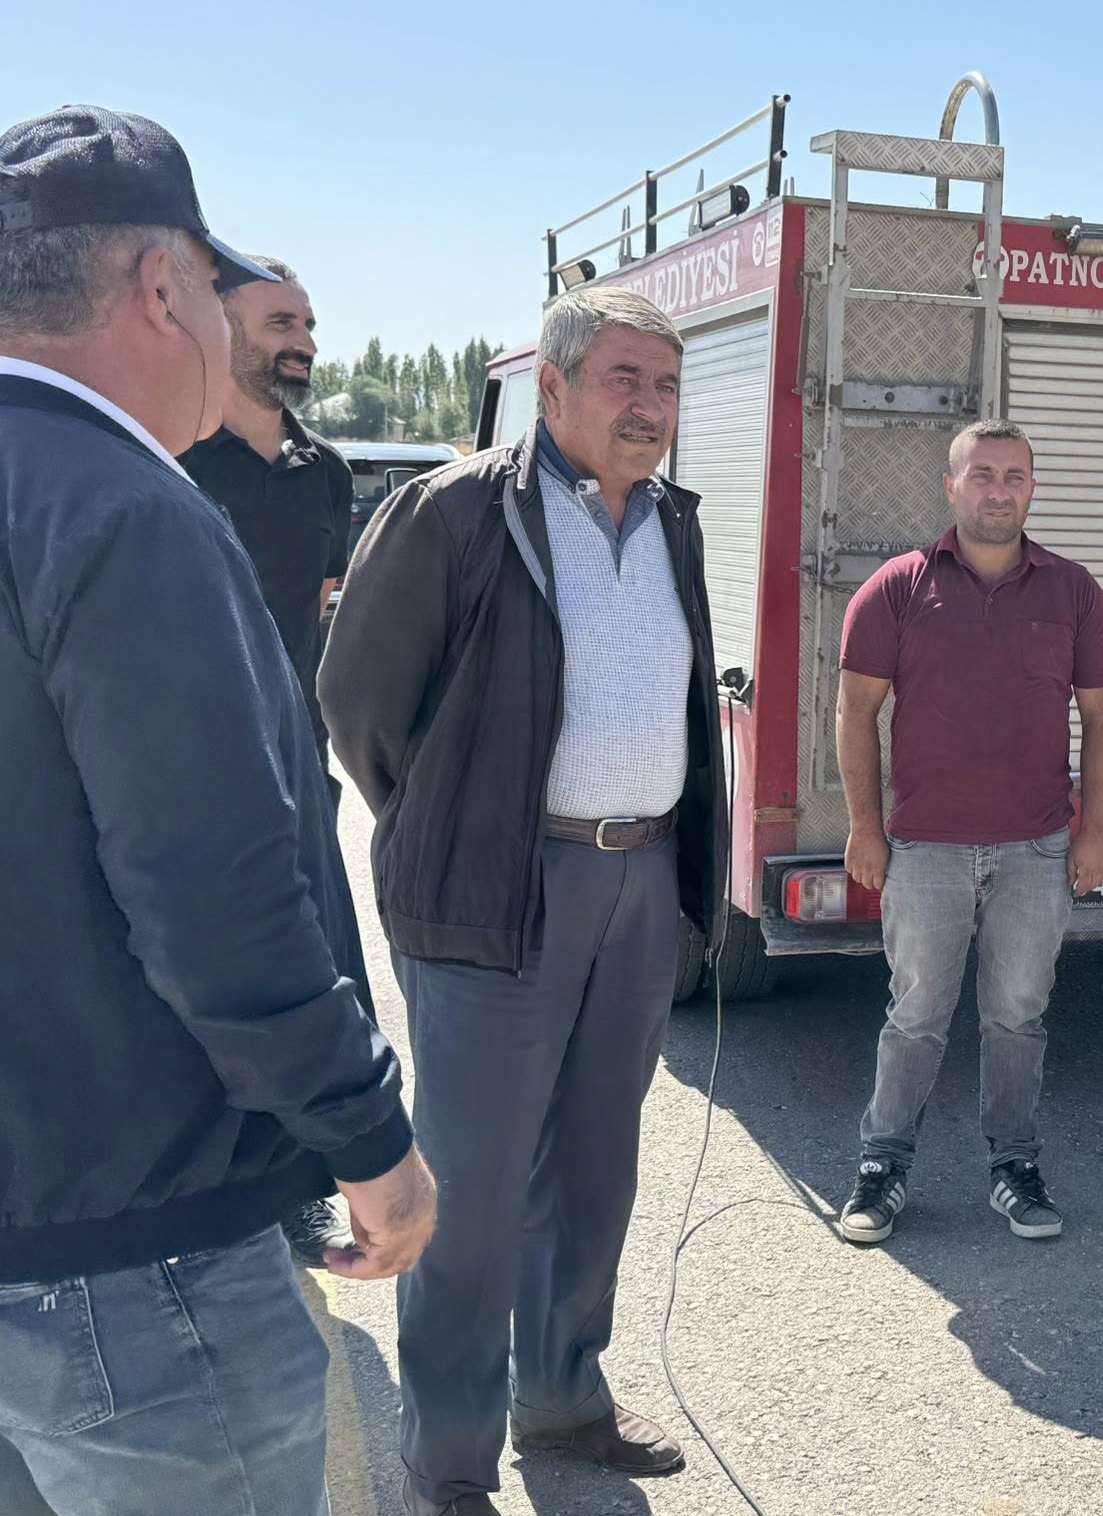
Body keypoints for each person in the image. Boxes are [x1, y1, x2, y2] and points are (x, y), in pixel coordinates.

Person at [0, 105, 435, 1516]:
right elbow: (211, 899)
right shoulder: (122, 505)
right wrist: (368, 1142)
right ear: (160, 287)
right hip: (139, 1258)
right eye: (210, 286)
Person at [320, 285, 726, 1516]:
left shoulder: (672, 520)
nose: (649, 405)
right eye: (622, 378)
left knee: (593, 1168)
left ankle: (563, 1398)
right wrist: (453, 822)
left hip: (638, 877)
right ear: (549, 388)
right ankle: (449, 1460)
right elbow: (358, 704)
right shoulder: (453, 512)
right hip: (500, 882)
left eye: (665, 383)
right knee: (471, 1188)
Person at [835, 419, 1103, 1246]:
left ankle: (1014, 1167)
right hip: (925, 847)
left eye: (1014, 476)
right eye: (983, 475)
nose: (1000, 491)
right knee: (916, 1015)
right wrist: (865, 830)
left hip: (1036, 849)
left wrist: (1096, 832)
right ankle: (882, 1166)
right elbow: (855, 713)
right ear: (951, 486)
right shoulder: (897, 588)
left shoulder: (1073, 591)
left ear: (1032, 489)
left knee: (1017, 1017)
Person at [179, 252, 367, 1268]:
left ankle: (294, 1188)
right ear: (220, 325)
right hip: (178, 769)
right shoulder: (169, 457)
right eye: (280, 324)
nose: (303, 344)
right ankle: (195, 1189)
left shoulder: (325, 473)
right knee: (189, 982)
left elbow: (321, 616)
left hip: (294, 767)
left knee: (303, 974)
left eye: (308, 326)